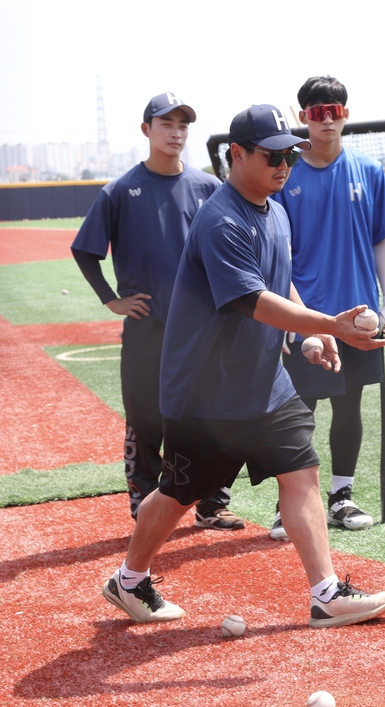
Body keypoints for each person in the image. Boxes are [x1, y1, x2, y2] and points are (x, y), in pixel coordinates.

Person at [101, 104, 385, 628]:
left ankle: (325, 593)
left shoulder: (275, 209)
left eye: (291, 154)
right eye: (273, 155)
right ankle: (128, 580)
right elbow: (254, 300)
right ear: (237, 155)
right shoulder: (221, 219)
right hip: (206, 395)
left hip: (263, 384)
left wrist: (306, 334)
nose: (285, 164)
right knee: (177, 492)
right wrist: (331, 324)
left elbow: (279, 282)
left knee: (302, 471)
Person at [71, 92, 244, 531]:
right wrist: (111, 299)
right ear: (147, 130)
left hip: (201, 329)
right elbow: (84, 250)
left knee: (210, 416)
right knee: (147, 419)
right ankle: (144, 501)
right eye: (166, 124)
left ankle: (211, 502)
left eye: (182, 125)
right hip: (148, 327)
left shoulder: (209, 188)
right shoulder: (119, 191)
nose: (175, 132)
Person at [268, 75, 385, 541]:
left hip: (361, 316)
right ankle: (291, 504)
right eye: (317, 111)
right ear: (303, 116)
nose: (327, 119)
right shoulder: (284, 175)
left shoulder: (369, 171)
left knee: (350, 407)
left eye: (335, 110)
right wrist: (293, 319)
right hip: (306, 317)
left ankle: (341, 496)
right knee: (296, 411)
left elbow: (383, 239)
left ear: (346, 113)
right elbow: (275, 254)